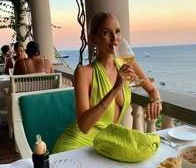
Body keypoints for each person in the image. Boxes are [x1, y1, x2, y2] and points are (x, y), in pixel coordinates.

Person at [53, 12, 162, 153]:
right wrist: (116, 88)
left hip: (103, 145)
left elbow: (152, 90)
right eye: (106, 33)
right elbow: (84, 127)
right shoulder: (84, 73)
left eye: (117, 32)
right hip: (76, 147)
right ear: (94, 39)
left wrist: (157, 101)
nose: (114, 38)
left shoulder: (127, 63)